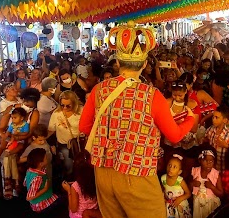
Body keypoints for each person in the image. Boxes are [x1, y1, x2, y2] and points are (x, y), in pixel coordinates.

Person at [79, 22, 195, 218]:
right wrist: (190, 119)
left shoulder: (99, 90)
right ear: (144, 64)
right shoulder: (152, 95)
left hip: (103, 171)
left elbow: (84, 126)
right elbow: (174, 135)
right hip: (137, 172)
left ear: (117, 64)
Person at [48, 90, 83, 175]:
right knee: (68, 166)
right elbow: (51, 130)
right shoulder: (57, 113)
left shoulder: (81, 111)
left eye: (68, 106)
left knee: (80, 166)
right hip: (64, 145)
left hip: (79, 144)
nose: (64, 108)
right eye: (62, 105)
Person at [62, 150, 102, 218]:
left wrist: (69, 190)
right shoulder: (96, 179)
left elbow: (74, 209)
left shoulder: (75, 186)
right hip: (94, 212)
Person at [204, 106, 229, 172]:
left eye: (217, 117)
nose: (213, 119)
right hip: (212, 168)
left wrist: (226, 146)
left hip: (224, 169)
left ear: (224, 120)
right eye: (213, 117)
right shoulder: (210, 129)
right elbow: (206, 139)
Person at [25, 148, 59, 213]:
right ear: (40, 163)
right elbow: (29, 197)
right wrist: (45, 189)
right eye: (46, 158)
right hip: (40, 204)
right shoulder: (38, 178)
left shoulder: (29, 170)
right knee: (63, 199)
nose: (47, 158)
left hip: (38, 201)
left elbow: (25, 183)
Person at [191, 150, 223, 218]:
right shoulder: (194, 171)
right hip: (198, 205)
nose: (208, 163)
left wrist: (212, 187)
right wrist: (192, 184)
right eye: (205, 160)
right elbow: (188, 188)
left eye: (211, 161)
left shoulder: (216, 174)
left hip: (211, 205)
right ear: (200, 161)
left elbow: (221, 193)